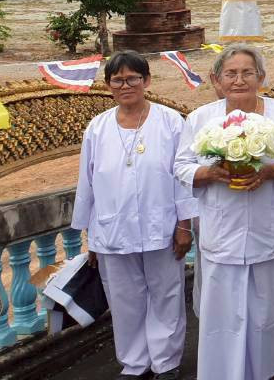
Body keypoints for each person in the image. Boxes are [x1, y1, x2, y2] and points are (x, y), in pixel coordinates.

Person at [175, 44, 274, 380]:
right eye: (231, 74)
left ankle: (273, 368)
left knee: (270, 309)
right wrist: (210, 173)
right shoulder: (201, 118)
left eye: (247, 73)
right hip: (222, 233)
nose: (239, 80)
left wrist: (268, 171)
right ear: (216, 80)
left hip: (270, 231)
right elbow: (181, 165)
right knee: (223, 314)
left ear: (260, 77)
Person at [72, 51, 194, 380]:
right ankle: (135, 364)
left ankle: (166, 363)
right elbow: (87, 183)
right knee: (124, 300)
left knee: (166, 295)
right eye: (118, 80)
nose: (125, 86)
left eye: (132, 78)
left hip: (162, 227)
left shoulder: (170, 122)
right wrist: (91, 237)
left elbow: (182, 178)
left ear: (146, 81)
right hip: (111, 229)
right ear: (108, 85)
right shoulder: (98, 128)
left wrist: (184, 225)